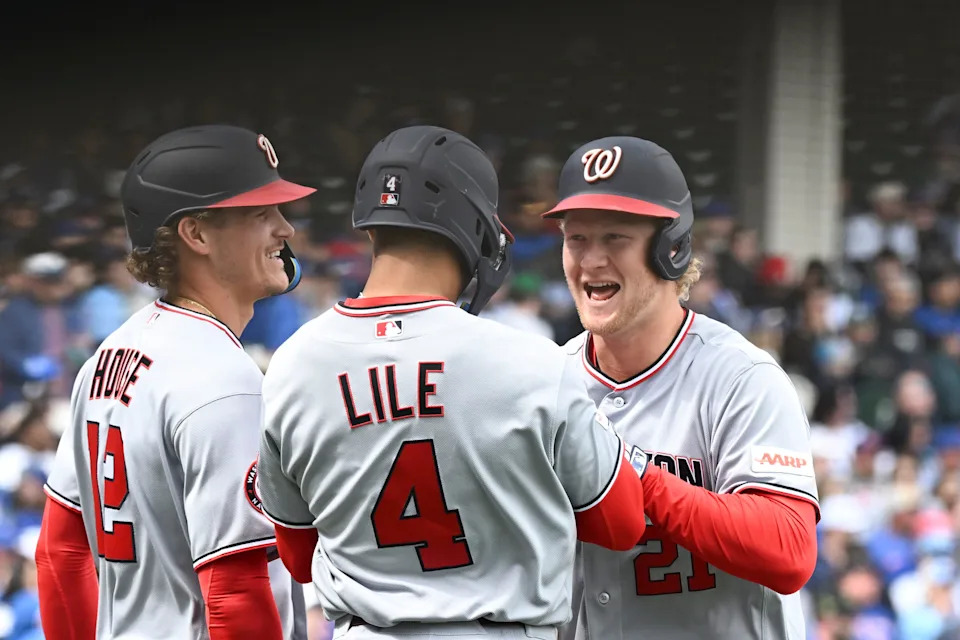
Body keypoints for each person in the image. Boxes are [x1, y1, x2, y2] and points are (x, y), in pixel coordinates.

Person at [254, 125, 651, 640]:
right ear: (474, 227)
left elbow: (300, 557)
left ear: (371, 227)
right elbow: (621, 526)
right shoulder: (530, 362)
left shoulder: (292, 365)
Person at [35, 124, 314, 640]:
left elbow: (60, 553)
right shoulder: (221, 379)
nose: (285, 229)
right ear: (197, 234)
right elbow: (236, 587)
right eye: (261, 213)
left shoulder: (110, 352)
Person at [541, 136, 820, 640]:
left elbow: (789, 548)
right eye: (577, 238)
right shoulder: (546, 380)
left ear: (671, 248)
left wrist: (633, 475)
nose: (591, 260)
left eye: (615, 238)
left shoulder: (739, 378)